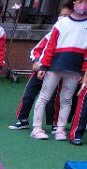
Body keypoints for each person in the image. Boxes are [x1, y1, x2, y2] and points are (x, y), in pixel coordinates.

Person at [9, 2, 74, 131]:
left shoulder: (74, 39)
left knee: (55, 100)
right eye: (61, 15)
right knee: (29, 94)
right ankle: (22, 119)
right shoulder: (51, 34)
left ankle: (55, 124)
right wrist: (37, 61)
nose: (62, 18)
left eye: (66, 16)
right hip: (41, 70)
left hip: (57, 72)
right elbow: (36, 50)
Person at [29, 0, 87, 141]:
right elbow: (50, 46)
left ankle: (60, 129)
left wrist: (83, 71)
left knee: (66, 100)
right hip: (55, 67)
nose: (83, 4)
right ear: (74, 2)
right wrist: (44, 66)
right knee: (44, 97)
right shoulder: (61, 23)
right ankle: (36, 128)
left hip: (74, 69)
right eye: (80, 1)